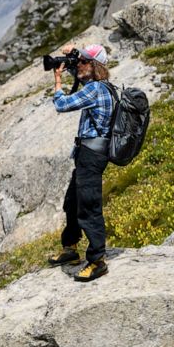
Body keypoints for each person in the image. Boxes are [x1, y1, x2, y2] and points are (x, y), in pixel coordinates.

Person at [47, 43, 114, 282]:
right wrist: (72, 58)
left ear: (95, 66)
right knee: (72, 202)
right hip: (86, 154)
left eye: (84, 62)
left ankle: (97, 261)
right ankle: (70, 250)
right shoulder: (98, 86)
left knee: (88, 206)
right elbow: (82, 77)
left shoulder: (96, 89)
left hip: (92, 156)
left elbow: (61, 104)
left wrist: (57, 82)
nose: (80, 66)